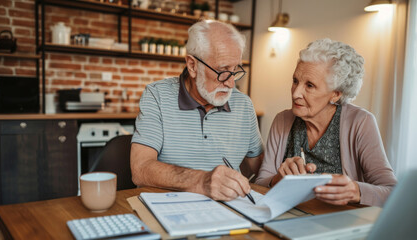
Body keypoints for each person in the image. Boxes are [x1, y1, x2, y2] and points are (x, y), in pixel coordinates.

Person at [130, 20, 264, 201]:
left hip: (229, 211)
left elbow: (261, 171)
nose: (231, 83)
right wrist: (203, 181)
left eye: (235, 70)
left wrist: (281, 173)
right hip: (169, 208)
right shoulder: (157, 95)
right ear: (192, 65)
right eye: (222, 71)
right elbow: (140, 169)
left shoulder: (244, 105)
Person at [255, 38, 397, 207]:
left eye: (309, 85)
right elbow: (260, 183)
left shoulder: (360, 122)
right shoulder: (282, 120)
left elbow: (392, 191)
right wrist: (278, 179)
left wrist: (356, 191)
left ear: (335, 94)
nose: (295, 94)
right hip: (288, 219)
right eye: (295, 81)